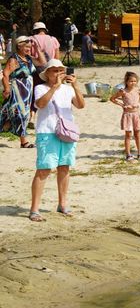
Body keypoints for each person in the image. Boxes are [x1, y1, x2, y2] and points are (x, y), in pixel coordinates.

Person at [29, 59, 84, 221]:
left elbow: (81, 105)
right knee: (44, 169)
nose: (59, 73)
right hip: (47, 132)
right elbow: (40, 104)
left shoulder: (68, 90)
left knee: (64, 167)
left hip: (66, 132)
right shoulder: (40, 88)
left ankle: (63, 204)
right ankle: (34, 209)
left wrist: (75, 86)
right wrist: (54, 87)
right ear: (47, 74)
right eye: (54, 70)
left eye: (61, 70)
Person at [1, 36, 37, 148]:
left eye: (29, 47)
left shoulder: (28, 58)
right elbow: (5, 75)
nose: (28, 49)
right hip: (18, 91)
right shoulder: (14, 59)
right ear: (19, 46)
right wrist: (7, 88)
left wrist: (38, 48)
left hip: (27, 92)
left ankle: (22, 140)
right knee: (20, 114)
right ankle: (24, 141)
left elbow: (42, 62)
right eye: (26, 47)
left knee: (13, 115)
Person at [109, 71, 140, 160]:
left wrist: (139, 103)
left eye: (135, 81)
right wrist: (122, 105)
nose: (133, 83)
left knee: (137, 134)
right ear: (126, 82)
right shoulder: (123, 91)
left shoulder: (138, 89)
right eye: (131, 81)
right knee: (128, 135)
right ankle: (128, 154)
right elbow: (112, 99)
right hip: (127, 115)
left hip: (136, 114)